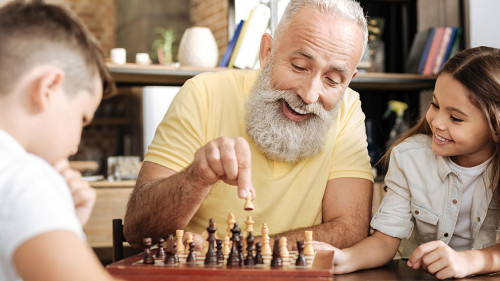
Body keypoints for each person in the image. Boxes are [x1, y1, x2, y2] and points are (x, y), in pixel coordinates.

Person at [124, 0, 374, 249]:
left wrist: (242, 252)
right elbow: (137, 229)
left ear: (349, 81)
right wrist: (197, 176)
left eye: (332, 80)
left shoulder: (348, 107)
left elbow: (350, 227)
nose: (309, 95)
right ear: (267, 52)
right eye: (299, 66)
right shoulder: (204, 93)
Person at [327, 46, 500, 279]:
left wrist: (468, 261)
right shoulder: (409, 157)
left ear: (495, 127)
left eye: (455, 118)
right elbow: (385, 240)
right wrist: (344, 259)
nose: (436, 122)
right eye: (435, 105)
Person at [0, 1, 119, 280]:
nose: (76, 144)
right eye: (82, 118)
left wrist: (63, 228)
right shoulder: (24, 177)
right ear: (49, 87)